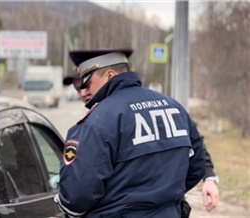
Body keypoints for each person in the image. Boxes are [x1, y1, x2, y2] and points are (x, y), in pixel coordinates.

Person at [54, 49, 205, 218]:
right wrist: (165, 197)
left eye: (87, 84)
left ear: (109, 75)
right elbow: (197, 166)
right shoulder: (174, 107)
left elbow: (76, 197)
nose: (84, 92)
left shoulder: (98, 121)